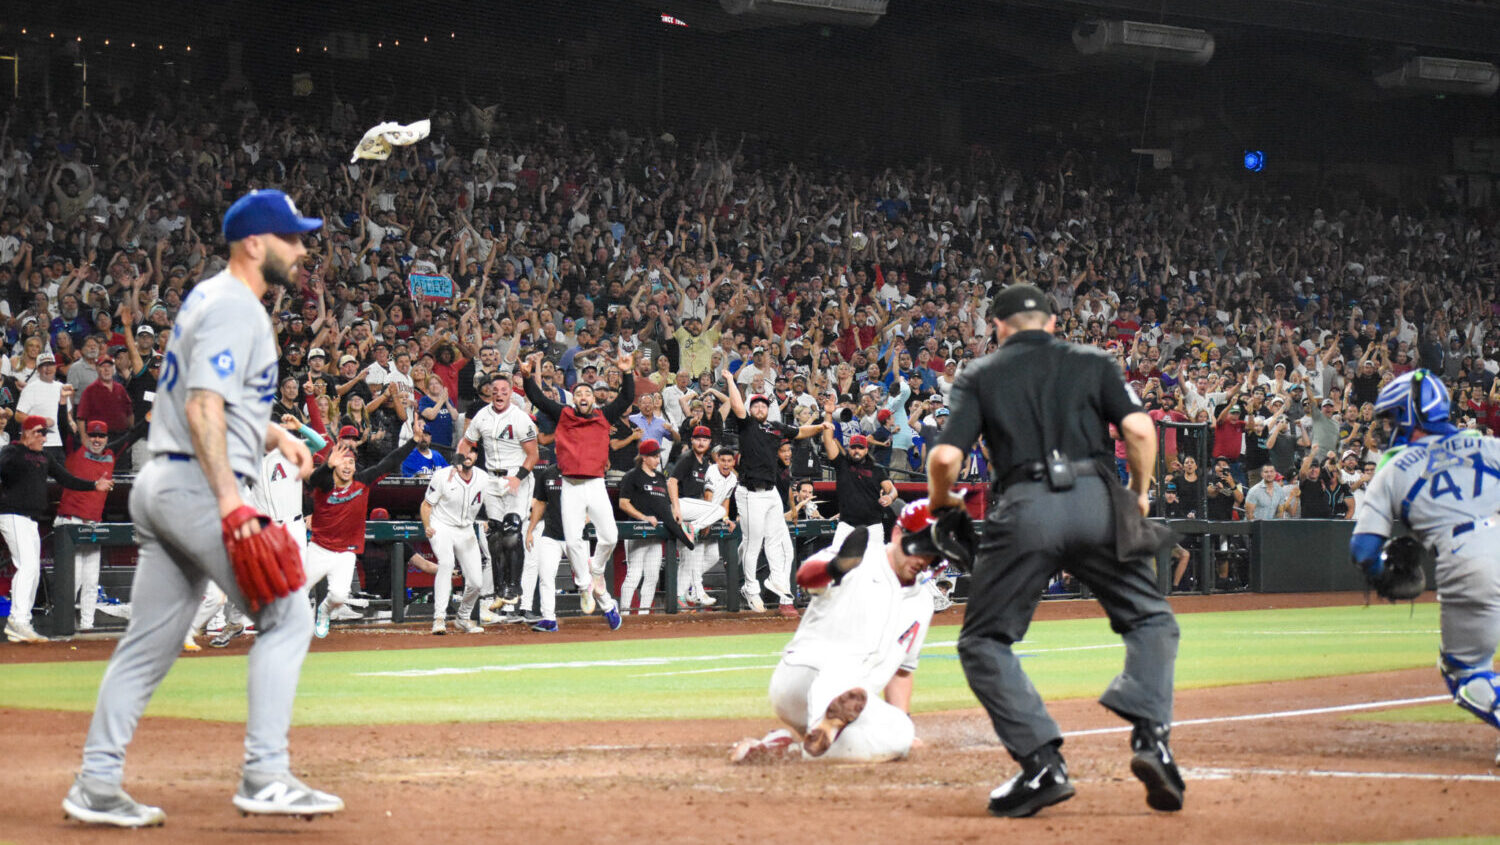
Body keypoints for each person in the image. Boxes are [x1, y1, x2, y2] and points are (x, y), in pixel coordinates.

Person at [64, 189, 339, 827]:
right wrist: (231, 504)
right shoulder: (235, 307)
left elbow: (208, 397)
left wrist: (275, 433)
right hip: (196, 487)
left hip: (163, 482)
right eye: (291, 238)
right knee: (289, 615)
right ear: (254, 244)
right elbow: (200, 407)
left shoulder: (209, 301)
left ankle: (96, 784)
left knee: (146, 648)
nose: (301, 249)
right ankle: (266, 775)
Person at [926, 284, 1183, 818]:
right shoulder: (1094, 360)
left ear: (998, 326)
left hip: (1023, 507)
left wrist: (942, 504)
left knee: (984, 641)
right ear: (1051, 322)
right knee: (1151, 619)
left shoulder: (980, 373)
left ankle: (1043, 764)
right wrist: (1137, 493)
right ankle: (1151, 738)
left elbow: (946, 458)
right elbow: (1138, 429)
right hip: (1096, 499)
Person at [1350, 369, 1500, 763]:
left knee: (1464, 669)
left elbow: (1364, 549)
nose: (1386, 427)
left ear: (1411, 414)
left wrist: (1384, 575)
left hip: (1470, 558)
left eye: (1391, 417)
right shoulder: (1490, 445)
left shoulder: (1394, 468)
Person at [731, 502, 942, 764]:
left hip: (852, 697)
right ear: (898, 534)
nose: (923, 559)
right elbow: (806, 577)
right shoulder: (859, 555)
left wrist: (901, 725)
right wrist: (836, 568)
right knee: (846, 665)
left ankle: (788, 745)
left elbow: (902, 671)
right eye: (918, 548)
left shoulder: (922, 602)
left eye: (932, 553)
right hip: (803, 676)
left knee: (900, 734)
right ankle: (822, 728)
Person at [521, 350, 636, 631]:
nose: (584, 396)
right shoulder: (564, 413)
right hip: (570, 485)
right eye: (579, 393)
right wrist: (526, 377)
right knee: (573, 542)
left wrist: (627, 372)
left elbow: (626, 398)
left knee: (610, 536)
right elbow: (538, 399)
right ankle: (586, 586)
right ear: (574, 398)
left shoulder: (603, 415)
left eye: (588, 393)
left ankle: (595, 573)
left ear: (594, 398)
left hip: (596, 484)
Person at [721, 370, 826, 616]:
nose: (759, 408)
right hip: (749, 492)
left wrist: (823, 425)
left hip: (770, 494)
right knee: (753, 542)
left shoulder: (775, 427)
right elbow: (737, 406)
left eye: (763, 405)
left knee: (779, 541)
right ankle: (750, 587)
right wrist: (730, 381)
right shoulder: (747, 424)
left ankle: (777, 583)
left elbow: (799, 432)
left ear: (768, 409)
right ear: (751, 408)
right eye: (755, 405)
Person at [306, 422, 425, 637]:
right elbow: (314, 479)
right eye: (343, 462)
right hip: (319, 549)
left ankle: (323, 612)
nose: (347, 466)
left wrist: (413, 441)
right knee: (296, 590)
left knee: (339, 596)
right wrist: (326, 466)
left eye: (351, 462)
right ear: (335, 464)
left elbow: (389, 462)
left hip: (345, 552)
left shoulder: (362, 481)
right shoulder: (325, 483)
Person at [2, 415, 114, 643]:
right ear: (28, 433)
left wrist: (94, 485)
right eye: (40, 433)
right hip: (12, 514)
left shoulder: (44, 457)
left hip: (30, 519)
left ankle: (20, 621)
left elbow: (67, 479)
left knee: (32, 570)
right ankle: (18, 620)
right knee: (28, 566)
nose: (44, 438)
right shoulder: (12, 452)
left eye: (45, 434)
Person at [457, 374, 539, 620]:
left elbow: (533, 454)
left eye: (504, 390)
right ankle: (501, 588)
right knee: (495, 534)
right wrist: (461, 464)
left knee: (513, 532)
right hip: (491, 478)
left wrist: (518, 477)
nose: (499, 394)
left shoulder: (520, 417)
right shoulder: (482, 415)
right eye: (495, 390)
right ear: (490, 393)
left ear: (511, 392)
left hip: (517, 476)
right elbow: (467, 442)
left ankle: (514, 586)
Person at [53, 416, 145, 631]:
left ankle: (86, 627)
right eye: (92, 434)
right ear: (87, 436)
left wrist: (149, 417)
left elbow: (131, 436)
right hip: (71, 522)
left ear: (106, 438)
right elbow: (63, 427)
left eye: (100, 435)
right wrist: (62, 403)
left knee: (91, 581)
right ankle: (63, 628)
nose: (96, 439)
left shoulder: (110, 454)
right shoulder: (76, 449)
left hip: (93, 524)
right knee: (72, 581)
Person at [617, 439, 695, 614]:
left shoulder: (660, 477)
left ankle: (644, 613)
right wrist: (643, 517)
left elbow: (664, 503)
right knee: (634, 574)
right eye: (654, 456)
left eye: (658, 455)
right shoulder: (632, 475)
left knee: (652, 576)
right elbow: (623, 503)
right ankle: (625, 612)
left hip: (656, 533)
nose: (658, 459)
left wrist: (675, 510)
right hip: (637, 532)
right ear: (644, 457)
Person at [420, 450, 491, 634]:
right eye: (465, 452)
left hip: (466, 529)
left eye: (473, 452)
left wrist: (487, 519)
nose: (468, 455)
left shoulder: (483, 478)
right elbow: (426, 505)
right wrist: (427, 525)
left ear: (476, 456)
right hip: (441, 525)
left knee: (476, 581)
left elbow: (488, 502)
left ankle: (463, 617)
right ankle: (439, 618)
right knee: (446, 563)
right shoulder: (443, 476)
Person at [668, 426, 730, 607]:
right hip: (684, 506)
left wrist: (706, 519)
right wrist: (677, 508)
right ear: (692, 441)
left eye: (705, 439)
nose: (701, 442)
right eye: (698, 439)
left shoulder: (706, 464)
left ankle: (683, 593)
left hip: (697, 512)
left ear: (710, 443)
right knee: (719, 511)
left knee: (708, 556)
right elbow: (672, 482)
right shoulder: (687, 458)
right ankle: (694, 591)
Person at [820, 402, 897, 545]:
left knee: (873, 563)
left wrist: (890, 497)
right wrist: (829, 415)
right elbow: (828, 441)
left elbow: (892, 490)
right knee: (838, 562)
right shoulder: (841, 463)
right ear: (849, 449)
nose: (856, 450)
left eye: (860, 448)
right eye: (853, 447)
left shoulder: (877, 469)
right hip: (846, 524)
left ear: (866, 450)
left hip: (873, 525)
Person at [523, 462, 567, 632]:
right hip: (551, 533)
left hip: (575, 536)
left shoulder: (580, 472)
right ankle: (549, 618)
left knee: (585, 578)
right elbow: (540, 503)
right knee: (546, 576)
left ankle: (608, 607)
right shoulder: (548, 474)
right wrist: (530, 530)